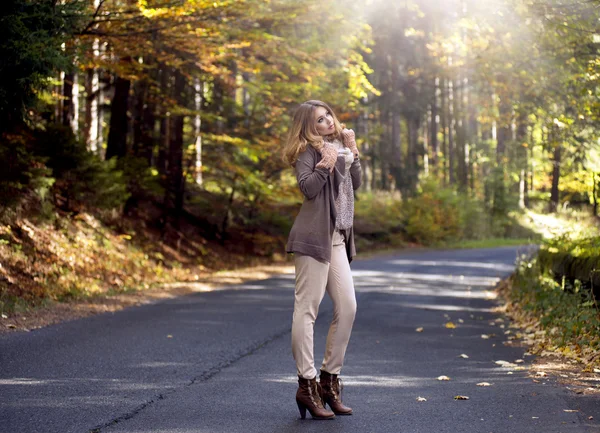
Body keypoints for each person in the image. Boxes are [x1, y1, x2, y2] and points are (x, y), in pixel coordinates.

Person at [282, 100, 361, 420]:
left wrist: (351, 153)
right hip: (313, 239)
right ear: (308, 126)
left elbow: (355, 184)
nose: (327, 120)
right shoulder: (307, 152)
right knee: (307, 310)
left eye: (328, 114)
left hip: (338, 238)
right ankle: (307, 384)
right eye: (319, 119)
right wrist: (325, 163)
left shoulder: (339, 147)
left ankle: (330, 381)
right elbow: (309, 189)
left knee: (348, 307)